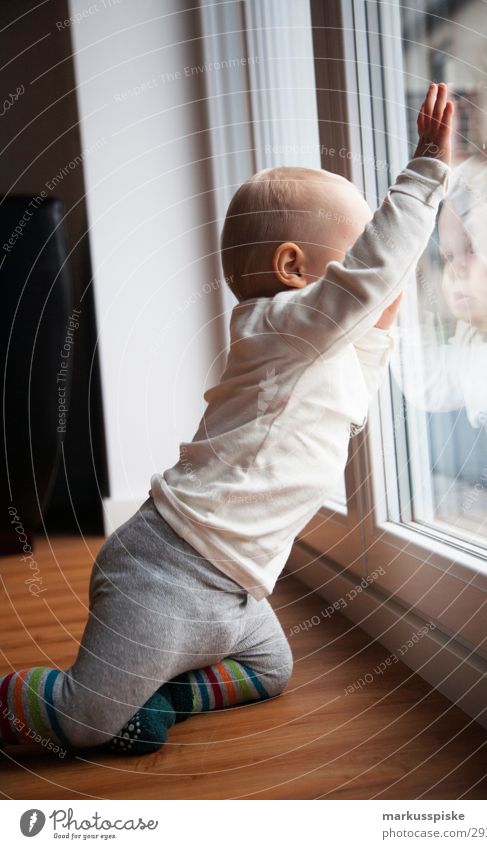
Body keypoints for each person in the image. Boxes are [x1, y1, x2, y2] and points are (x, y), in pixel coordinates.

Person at [0, 84, 452, 756]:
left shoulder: (318, 354)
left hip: (234, 593)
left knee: (272, 670)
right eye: (354, 254)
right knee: (83, 719)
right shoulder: (275, 328)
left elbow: (363, 353)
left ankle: (151, 689)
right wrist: (424, 175)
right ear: (294, 270)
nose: (369, 275)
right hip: (167, 571)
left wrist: (385, 311)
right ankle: (61, 696)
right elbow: (363, 282)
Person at [390, 154, 487, 491]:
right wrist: (401, 308)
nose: (457, 269)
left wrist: (464, 184)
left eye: (472, 249)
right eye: (447, 257)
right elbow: (429, 385)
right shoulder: (469, 345)